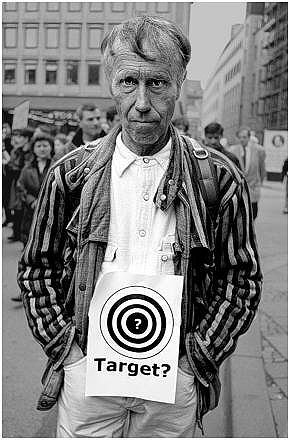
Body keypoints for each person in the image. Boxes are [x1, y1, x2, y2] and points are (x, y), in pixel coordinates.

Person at [18, 16, 262, 438]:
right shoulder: (69, 175)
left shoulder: (220, 178)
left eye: (158, 83)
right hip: (89, 384)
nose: (143, 102)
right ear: (112, 83)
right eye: (129, 82)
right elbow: (35, 270)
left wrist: (195, 360)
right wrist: (69, 355)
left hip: (173, 391)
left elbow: (241, 281)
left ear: (180, 83)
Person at [229, 127, 266, 220]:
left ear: (249, 138)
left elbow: (262, 168)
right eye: (240, 137)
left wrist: (259, 182)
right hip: (238, 189)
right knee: (240, 216)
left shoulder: (259, 150)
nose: (242, 139)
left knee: (253, 214)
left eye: (244, 137)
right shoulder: (232, 150)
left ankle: (250, 232)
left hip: (253, 188)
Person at [7, 128, 34, 241]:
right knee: (17, 208)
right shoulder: (16, 151)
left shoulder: (32, 152)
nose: (17, 139)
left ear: (27, 139)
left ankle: (26, 236)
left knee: (26, 210)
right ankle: (17, 232)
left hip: (28, 183)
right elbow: (11, 164)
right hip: (16, 182)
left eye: (20, 137)